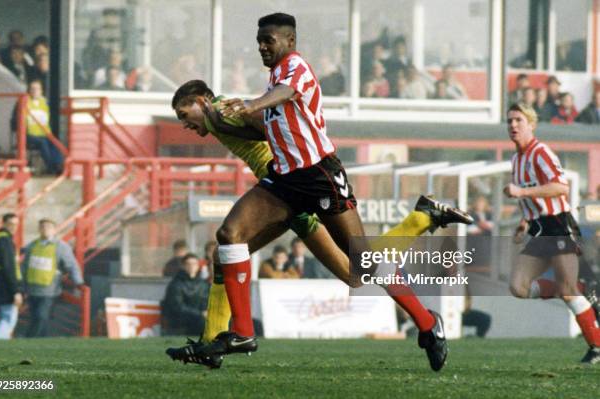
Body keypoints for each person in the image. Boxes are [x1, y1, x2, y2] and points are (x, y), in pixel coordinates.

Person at [169, 14, 474, 372]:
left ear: (289, 40)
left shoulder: (294, 68)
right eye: (259, 41)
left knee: (362, 264)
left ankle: (427, 322)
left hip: (319, 176)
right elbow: (265, 129)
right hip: (284, 181)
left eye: (269, 40)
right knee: (228, 237)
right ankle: (240, 334)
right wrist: (231, 119)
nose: (262, 47)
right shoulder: (258, 87)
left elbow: (285, 93)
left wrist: (251, 105)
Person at [504, 103, 599, 365]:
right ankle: (581, 289)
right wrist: (524, 220)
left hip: (558, 225)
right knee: (518, 287)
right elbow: (534, 193)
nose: (513, 125)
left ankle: (597, 347)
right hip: (538, 229)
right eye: (510, 121)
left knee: (567, 292)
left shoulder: (540, 152)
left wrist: (521, 193)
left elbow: (560, 186)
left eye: (518, 120)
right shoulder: (516, 159)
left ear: (531, 124)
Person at [21, 219, 84, 338]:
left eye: (48, 227)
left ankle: (28, 340)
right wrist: (21, 285)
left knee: (41, 316)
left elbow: (71, 265)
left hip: (49, 290)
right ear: (39, 229)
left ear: (54, 230)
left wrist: (79, 282)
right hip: (32, 289)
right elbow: (24, 266)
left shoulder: (61, 247)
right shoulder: (32, 245)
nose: (45, 229)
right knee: (36, 317)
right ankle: (41, 343)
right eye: (43, 227)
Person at [0, 214, 23, 339]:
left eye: (16, 224)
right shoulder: (4, 240)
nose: (13, 227)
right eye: (10, 224)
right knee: (9, 318)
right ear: (3, 223)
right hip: (4, 285)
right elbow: (8, 267)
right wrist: (16, 291)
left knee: (5, 318)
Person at [21, 80, 64, 174]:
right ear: (29, 90)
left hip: (45, 133)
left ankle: (58, 165)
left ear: (41, 91)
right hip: (30, 134)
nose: (35, 91)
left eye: (37, 89)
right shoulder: (25, 101)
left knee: (55, 142)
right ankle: (51, 167)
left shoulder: (44, 102)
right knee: (43, 143)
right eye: (32, 89)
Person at [162, 253, 210, 336]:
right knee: (202, 321)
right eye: (188, 264)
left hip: (200, 317)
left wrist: (206, 312)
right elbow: (178, 307)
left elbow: (206, 302)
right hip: (181, 320)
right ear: (183, 266)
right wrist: (199, 314)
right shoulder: (176, 284)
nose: (191, 266)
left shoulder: (204, 284)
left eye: (194, 264)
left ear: (198, 266)